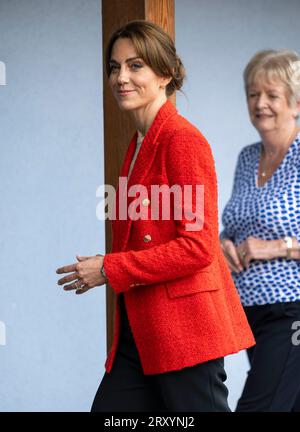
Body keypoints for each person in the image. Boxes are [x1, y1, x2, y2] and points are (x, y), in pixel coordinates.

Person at [56, 20, 254, 412]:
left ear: (164, 74)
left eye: (135, 66)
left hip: (183, 331)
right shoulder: (138, 144)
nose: (121, 78)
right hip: (140, 333)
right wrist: (107, 267)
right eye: (114, 67)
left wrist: (110, 269)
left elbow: (197, 248)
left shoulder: (182, 140)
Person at [220, 49, 300, 412]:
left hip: (292, 312)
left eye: (272, 95)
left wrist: (276, 248)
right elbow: (234, 226)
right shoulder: (247, 157)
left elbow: (265, 240)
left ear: (295, 103)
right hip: (249, 312)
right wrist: (223, 243)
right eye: (253, 94)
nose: (260, 103)